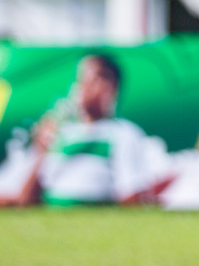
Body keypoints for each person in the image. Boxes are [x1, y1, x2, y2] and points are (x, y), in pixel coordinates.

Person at [0, 54, 175, 207]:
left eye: (89, 79)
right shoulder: (60, 132)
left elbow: (130, 197)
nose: (81, 87)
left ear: (109, 86)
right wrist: (41, 151)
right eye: (79, 79)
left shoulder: (123, 134)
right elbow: (26, 199)